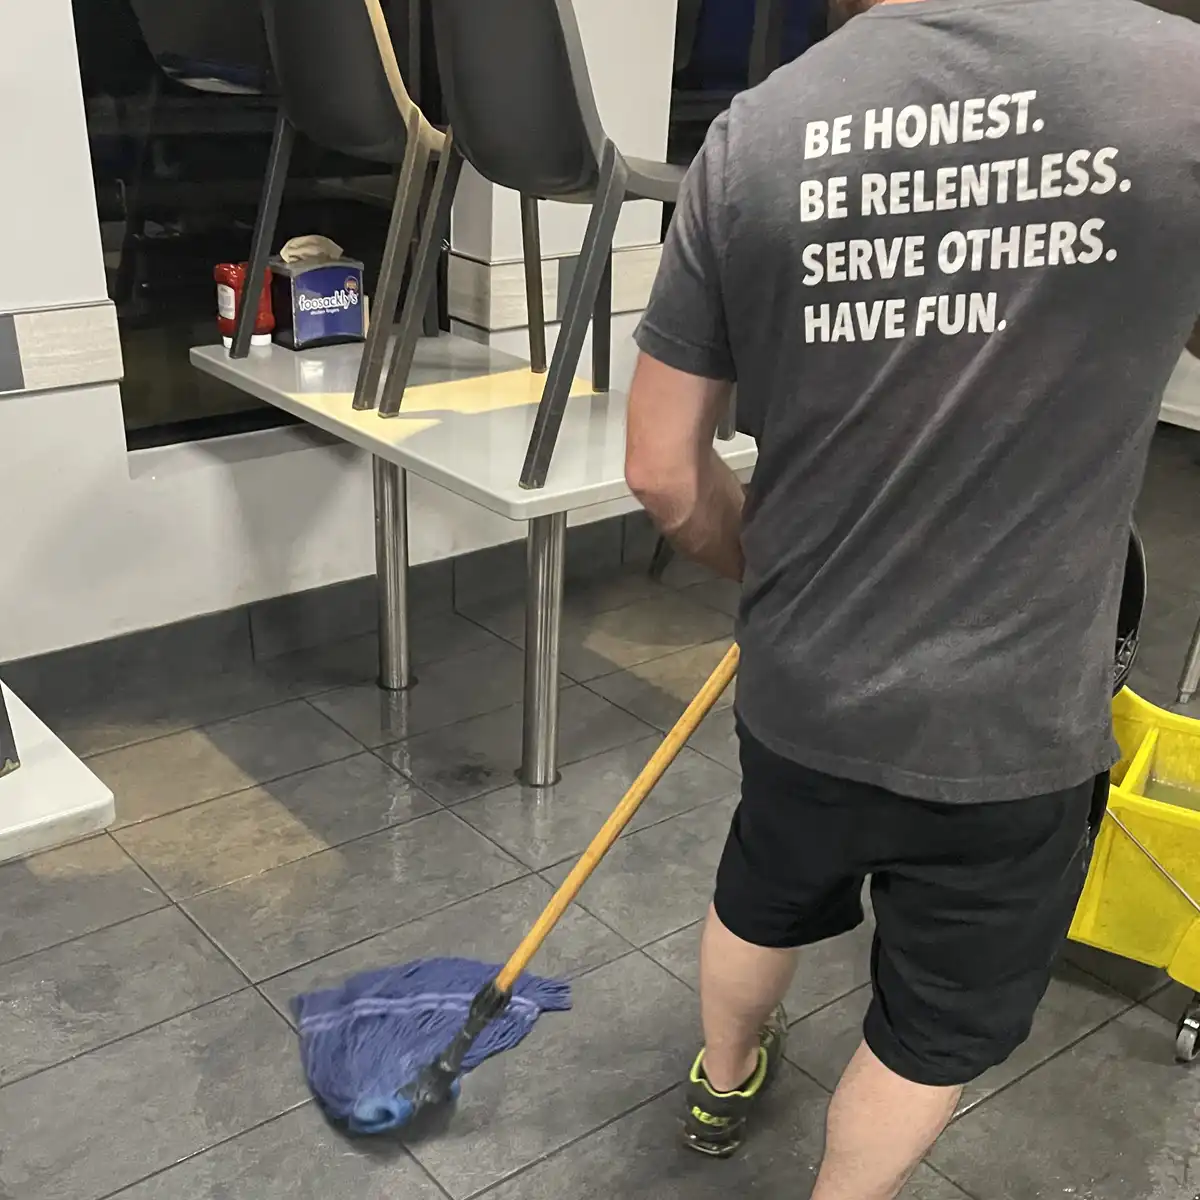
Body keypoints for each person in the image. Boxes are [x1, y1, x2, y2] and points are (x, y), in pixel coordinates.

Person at [623, 1, 1200, 1196]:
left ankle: (721, 1081)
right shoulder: (1179, 88)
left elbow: (662, 472)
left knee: (764, 889)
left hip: (802, 680)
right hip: (1011, 717)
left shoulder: (755, 134)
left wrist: (770, 573)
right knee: (933, 1020)